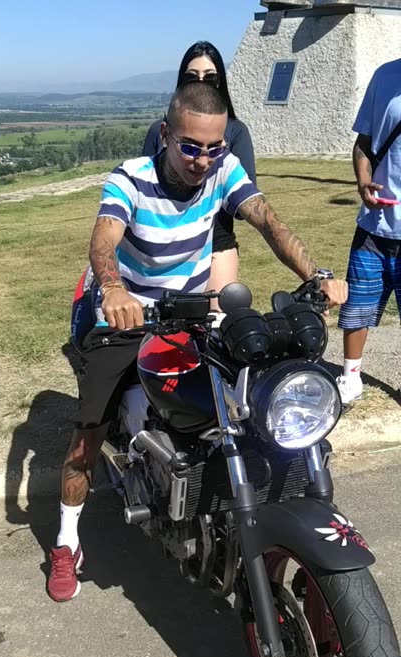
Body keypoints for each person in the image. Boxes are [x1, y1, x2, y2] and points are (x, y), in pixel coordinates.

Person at [47, 81, 347, 602]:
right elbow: (104, 240)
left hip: (192, 314)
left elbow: (266, 219)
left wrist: (315, 275)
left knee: (248, 400)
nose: (201, 160)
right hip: (127, 315)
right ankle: (66, 540)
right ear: (166, 135)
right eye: (190, 146)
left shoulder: (224, 171)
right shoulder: (130, 179)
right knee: (86, 435)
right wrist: (114, 290)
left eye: (213, 147)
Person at [143, 41, 256, 295]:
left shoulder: (236, 131)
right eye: (192, 77)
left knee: (216, 317)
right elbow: (143, 190)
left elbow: (245, 207)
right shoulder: (158, 131)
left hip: (215, 243)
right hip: (162, 244)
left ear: (221, 81)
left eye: (210, 77)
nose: (201, 83)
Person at [337, 57, 401, 405]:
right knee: (356, 307)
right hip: (374, 224)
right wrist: (363, 181)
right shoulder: (384, 76)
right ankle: (351, 378)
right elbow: (363, 142)